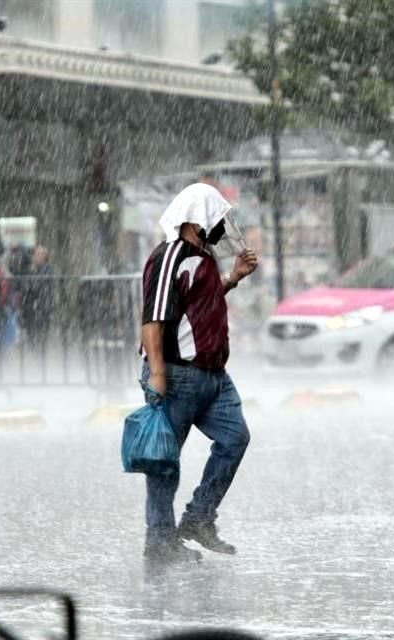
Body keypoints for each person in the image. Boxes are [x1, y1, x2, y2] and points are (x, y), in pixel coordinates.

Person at [138, 182, 259, 565]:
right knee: (165, 462)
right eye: (218, 219)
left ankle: (199, 518)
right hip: (177, 374)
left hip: (212, 376)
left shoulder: (203, 259)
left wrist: (233, 277)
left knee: (235, 438)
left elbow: (200, 305)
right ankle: (159, 542)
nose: (223, 227)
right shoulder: (170, 256)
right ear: (199, 219)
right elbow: (153, 320)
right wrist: (157, 373)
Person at [20, 245, 54, 347]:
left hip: (43, 309)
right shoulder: (28, 269)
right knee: (31, 340)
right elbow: (24, 287)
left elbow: (38, 286)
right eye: (35, 254)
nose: (34, 256)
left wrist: (32, 280)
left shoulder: (48, 269)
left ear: (44, 257)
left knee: (41, 340)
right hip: (30, 309)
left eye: (38, 254)